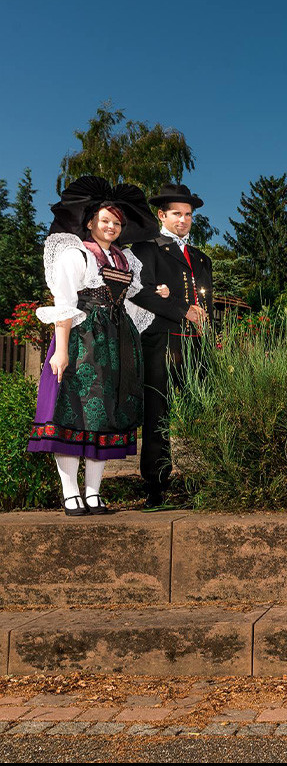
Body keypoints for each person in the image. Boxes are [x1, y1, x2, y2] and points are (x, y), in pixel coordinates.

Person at [27, 175, 158, 514]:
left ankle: (94, 491)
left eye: (117, 222)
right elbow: (65, 301)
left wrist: (155, 295)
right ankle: (70, 491)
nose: (111, 226)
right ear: (90, 223)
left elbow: (129, 303)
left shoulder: (125, 261)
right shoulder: (77, 255)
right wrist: (60, 349)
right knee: (73, 413)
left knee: (106, 416)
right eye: (105, 221)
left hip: (115, 344)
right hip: (83, 339)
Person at [128, 182, 213, 508]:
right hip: (162, 341)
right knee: (158, 414)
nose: (183, 219)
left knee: (202, 411)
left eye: (188, 214)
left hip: (197, 345)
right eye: (176, 213)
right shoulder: (146, 250)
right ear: (162, 214)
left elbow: (209, 305)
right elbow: (139, 291)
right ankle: (155, 488)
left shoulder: (201, 259)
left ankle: (203, 480)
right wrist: (182, 309)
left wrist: (213, 336)